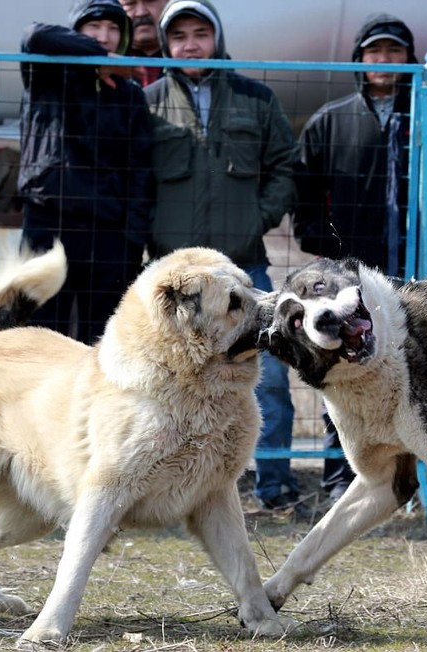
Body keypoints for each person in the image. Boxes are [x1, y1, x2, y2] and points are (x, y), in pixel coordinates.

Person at [293, 13, 427, 501]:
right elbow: (306, 198)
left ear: (408, 59)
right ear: (359, 60)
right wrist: (332, 259)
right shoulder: (329, 121)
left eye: (394, 51)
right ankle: (343, 477)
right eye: (374, 52)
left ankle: (421, 483)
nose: (384, 60)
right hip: (348, 283)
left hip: (414, 277)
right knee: (341, 373)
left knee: (421, 375)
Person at [145, 0, 308, 517]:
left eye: (200, 32)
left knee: (273, 377)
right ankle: (170, 484)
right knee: (166, 378)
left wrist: (258, 217)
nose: (190, 43)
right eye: (180, 36)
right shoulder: (148, 102)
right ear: (167, 43)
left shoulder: (255, 99)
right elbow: (135, 177)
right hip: (178, 280)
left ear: (216, 37)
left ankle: (274, 486)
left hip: (244, 268)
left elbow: (284, 164)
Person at [18, 0, 153, 345]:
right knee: (40, 333)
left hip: (107, 232)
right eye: (93, 28)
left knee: (103, 340)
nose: (104, 37)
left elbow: (139, 172)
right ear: (76, 32)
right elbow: (34, 35)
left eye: (112, 30)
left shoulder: (131, 95)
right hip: (49, 221)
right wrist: (97, 58)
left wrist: (132, 242)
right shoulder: (46, 74)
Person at [120, 0, 167, 86]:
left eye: (150, 1)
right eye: (130, 4)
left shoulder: (190, 56)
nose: (141, 13)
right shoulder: (103, 59)